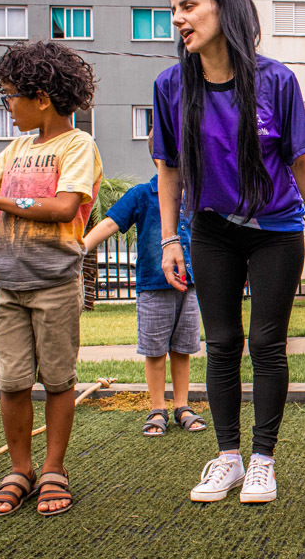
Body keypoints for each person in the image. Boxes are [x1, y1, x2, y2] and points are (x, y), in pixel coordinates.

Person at [153, 0, 305, 504]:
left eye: (188, 6)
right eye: (174, 9)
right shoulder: (170, 85)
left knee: (266, 343)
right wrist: (169, 238)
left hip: (276, 228)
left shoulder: (275, 79)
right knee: (222, 342)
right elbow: (169, 168)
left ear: (223, 4)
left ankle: (262, 462)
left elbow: (301, 163)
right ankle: (228, 457)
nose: (179, 19)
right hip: (210, 230)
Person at [0, 41, 102, 516]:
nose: (8, 107)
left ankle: (54, 468)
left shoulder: (79, 145)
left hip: (55, 281)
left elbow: (63, 207)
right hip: (7, 282)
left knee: (58, 380)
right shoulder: (16, 149)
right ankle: (21, 469)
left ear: (41, 98)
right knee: (13, 381)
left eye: (10, 97)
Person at [82, 132, 205, 438]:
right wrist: (81, 247)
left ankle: (181, 406)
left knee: (182, 349)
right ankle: (157, 408)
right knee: (155, 350)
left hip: (189, 287)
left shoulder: (198, 195)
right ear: (158, 158)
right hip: (153, 286)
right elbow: (111, 222)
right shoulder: (142, 194)